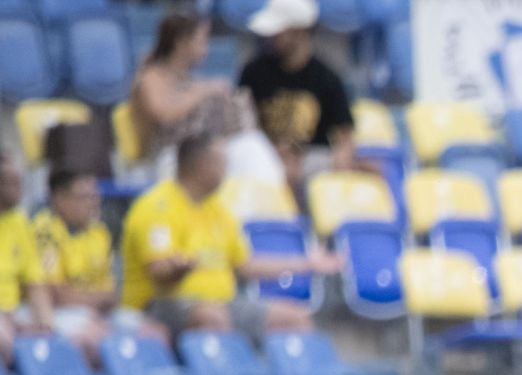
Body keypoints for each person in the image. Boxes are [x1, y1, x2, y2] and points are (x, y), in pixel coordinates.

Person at [119, 131, 335, 339]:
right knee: (212, 318)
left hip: (222, 302)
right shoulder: (157, 206)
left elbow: (245, 264)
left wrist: (307, 263)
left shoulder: (218, 209)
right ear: (201, 165)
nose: (227, 168)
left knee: (294, 318)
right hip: (161, 304)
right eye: (221, 161)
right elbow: (158, 270)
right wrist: (177, 268)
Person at [236, 0, 358, 192]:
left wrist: (340, 163)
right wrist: (272, 150)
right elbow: (241, 124)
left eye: (279, 31)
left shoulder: (327, 78)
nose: (272, 37)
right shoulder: (253, 73)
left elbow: (345, 137)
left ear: (299, 31)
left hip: (311, 160)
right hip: (263, 155)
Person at [33, 171, 154, 361]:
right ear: (59, 199)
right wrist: (94, 300)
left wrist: (89, 299)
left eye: (96, 196)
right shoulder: (45, 231)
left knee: (153, 334)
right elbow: (56, 295)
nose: (94, 202)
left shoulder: (99, 232)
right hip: (57, 314)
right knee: (97, 338)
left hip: (98, 313)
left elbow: (111, 295)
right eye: (84, 196)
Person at [129, 13, 245, 172]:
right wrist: (203, 90)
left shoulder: (192, 81)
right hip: (164, 159)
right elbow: (164, 114)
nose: (206, 49)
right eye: (202, 41)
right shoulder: (151, 77)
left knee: (244, 148)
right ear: (182, 42)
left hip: (201, 154)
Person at [0, 152, 53, 368]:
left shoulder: (20, 223)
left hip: (14, 313)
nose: (20, 190)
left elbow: (35, 286)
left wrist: (46, 325)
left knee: (62, 342)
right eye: (11, 182)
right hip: (6, 318)